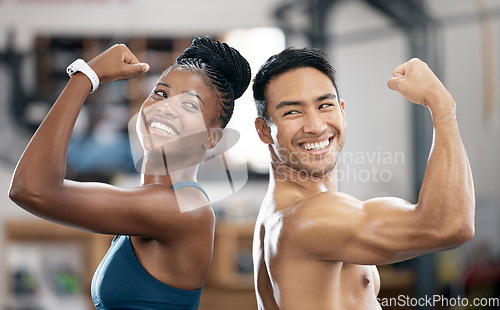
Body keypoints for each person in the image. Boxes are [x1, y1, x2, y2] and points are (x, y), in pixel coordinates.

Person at [9, 36, 251, 310]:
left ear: (212, 139)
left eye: (190, 105)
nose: (166, 108)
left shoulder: (182, 209)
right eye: (161, 93)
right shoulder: (152, 200)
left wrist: (86, 76)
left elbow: (31, 189)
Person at [251, 47, 475, 310]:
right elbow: (450, 225)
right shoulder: (307, 218)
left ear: (343, 112)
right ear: (264, 130)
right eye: (293, 112)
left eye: (324, 106)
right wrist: (442, 104)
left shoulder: (281, 213)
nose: (316, 126)